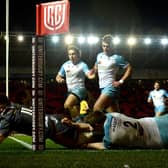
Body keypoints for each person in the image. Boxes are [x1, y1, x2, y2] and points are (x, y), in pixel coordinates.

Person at [0, 94, 102, 148]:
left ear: (1, 106)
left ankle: (109, 140)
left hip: (56, 131)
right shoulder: (14, 105)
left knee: (83, 144)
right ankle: (99, 129)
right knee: (87, 130)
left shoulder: (8, 117)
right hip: (55, 119)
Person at [83, 111, 168, 150]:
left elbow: (103, 146)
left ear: (97, 125)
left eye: (92, 126)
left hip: (159, 138)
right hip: (156, 121)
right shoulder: (112, 114)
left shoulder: (111, 138)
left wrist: (88, 145)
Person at [91, 34, 132, 113]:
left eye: (108, 46)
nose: (105, 48)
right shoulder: (99, 56)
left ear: (112, 46)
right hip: (102, 88)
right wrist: (92, 72)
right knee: (114, 116)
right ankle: (124, 124)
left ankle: (89, 125)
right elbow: (96, 66)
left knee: (96, 109)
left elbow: (129, 68)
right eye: (104, 46)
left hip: (111, 88)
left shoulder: (117, 58)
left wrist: (121, 81)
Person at [56, 45, 95, 120]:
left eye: (73, 54)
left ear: (78, 54)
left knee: (67, 105)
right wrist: (59, 79)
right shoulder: (65, 65)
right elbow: (58, 77)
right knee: (77, 113)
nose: (71, 56)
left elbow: (89, 75)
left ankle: (79, 123)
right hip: (70, 91)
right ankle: (81, 123)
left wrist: (93, 75)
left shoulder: (83, 65)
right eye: (69, 54)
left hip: (80, 90)